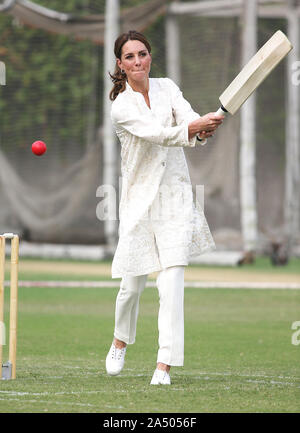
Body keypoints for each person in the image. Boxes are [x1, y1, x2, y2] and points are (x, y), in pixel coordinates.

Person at [105, 30, 224, 385]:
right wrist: (193, 128)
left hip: (175, 196)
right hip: (139, 201)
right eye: (130, 57)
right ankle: (120, 339)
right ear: (121, 65)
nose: (138, 61)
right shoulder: (121, 107)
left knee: (171, 281)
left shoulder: (167, 87)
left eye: (142, 54)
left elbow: (187, 119)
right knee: (132, 286)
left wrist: (202, 130)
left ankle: (164, 364)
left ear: (150, 57)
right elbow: (159, 133)